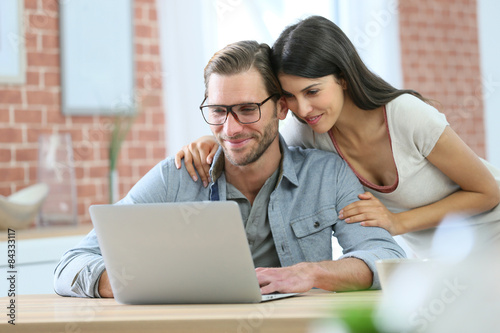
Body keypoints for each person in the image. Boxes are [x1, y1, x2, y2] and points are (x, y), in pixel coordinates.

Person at [53, 40, 405, 298]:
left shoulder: (327, 175)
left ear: (281, 108)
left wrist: (311, 273)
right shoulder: (176, 177)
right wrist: (121, 279)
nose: (231, 129)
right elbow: (71, 263)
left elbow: (385, 256)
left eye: (248, 109)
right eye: (218, 111)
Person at [175, 16, 500, 258]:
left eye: (313, 91)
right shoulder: (309, 131)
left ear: (343, 78)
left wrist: (396, 223)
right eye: (290, 96)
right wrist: (214, 144)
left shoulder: (405, 114)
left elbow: (488, 192)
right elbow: (259, 138)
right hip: (444, 256)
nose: (303, 107)